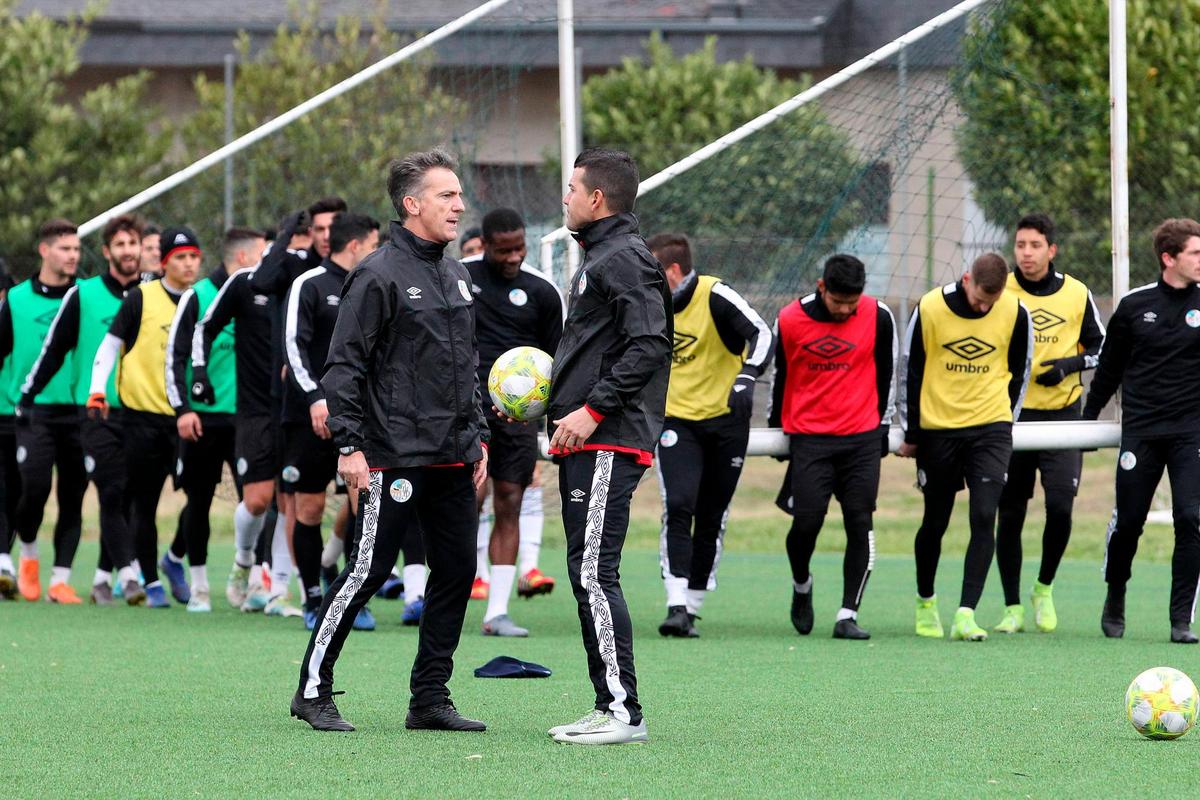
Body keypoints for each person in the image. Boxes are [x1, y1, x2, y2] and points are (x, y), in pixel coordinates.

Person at [291, 150, 489, 733]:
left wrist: (475, 439)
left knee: (455, 571)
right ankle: (312, 691)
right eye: (447, 195)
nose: (459, 205)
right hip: (392, 457)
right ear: (412, 204)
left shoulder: (456, 274)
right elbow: (343, 369)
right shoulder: (376, 274)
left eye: (459, 194)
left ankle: (429, 699)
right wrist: (350, 448)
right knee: (367, 572)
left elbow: (466, 366)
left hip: (454, 456)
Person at [544, 148, 670, 745]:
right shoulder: (602, 256)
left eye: (571, 188)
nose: (564, 197)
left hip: (611, 440)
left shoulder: (623, 258)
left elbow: (649, 345)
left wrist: (592, 411)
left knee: (595, 572)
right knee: (586, 570)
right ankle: (608, 703)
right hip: (592, 440)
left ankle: (625, 714)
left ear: (597, 199)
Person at [898, 253, 1031, 641]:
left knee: (984, 513)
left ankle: (965, 614)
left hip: (991, 427)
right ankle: (926, 602)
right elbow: (912, 368)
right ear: (966, 278)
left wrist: (1006, 417)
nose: (984, 306)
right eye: (979, 298)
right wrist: (911, 430)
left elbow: (1020, 369)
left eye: (992, 300)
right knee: (935, 521)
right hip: (938, 430)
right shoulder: (930, 307)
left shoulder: (1015, 311)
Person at [646, 232, 772, 638]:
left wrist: (748, 376)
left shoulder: (715, 294)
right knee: (679, 504)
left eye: (652, 271)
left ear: (674, 271)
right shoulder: (647, 303)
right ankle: (676, 603)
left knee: (711, 514)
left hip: (725, 422)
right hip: (676, 423)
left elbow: (763, 334)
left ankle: (693, 606)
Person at [1083, 218, 1200, 643]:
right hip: (1142, 432)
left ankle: (1180, 620)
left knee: (1192, 518)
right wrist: (1087, 420)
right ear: (1169, 258)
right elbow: (1109, 367)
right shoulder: (1134, 306)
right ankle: (1115, 594)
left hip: (1191, 433)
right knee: (1130, 522)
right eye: (1196, 253)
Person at [20, 214, 147, 605]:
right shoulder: (84, 295)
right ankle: (124, 574)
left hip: (142, 412)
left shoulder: (153, 294)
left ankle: (83, 579)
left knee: (114, 494)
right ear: (107, 252)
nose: (129, 251)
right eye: (120, 244)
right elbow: (54, 350)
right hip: (91, 411)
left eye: (134, 243)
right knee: (72, 487)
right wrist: (28, 394)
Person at [769, 254, 895, 640]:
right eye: (838, 302)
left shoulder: (879, 316)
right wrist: (777, 427)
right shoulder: (790, 319)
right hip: (810, 440)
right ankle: (802, 585)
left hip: (861, 439)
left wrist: (883, 427)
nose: (845, 310)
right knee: (807, 523)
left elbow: (888, 372)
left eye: (851, 304)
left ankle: (847, 614)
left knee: (860, 523)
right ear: (822, 287)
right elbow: (781, 375)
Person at [993, 214, 1105, 634]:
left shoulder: (1076, 293)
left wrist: (1070, 366)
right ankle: (1012, 606)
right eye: (1020, 244)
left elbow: (1103, 347)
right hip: (1011, 417)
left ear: (1051, 250)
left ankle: (1044, 587)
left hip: (1063, 415)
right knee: (1010, 511)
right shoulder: (1001, 289)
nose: (1026, 253)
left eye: (1035, 245)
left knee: (1059, 507)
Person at [463, 207, 563, 637]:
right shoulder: (458, 277)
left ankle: (497, 612)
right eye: (503, 250)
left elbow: (561, 360)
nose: (512, 257)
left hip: (519, 420)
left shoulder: (542, 291)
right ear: (484, 245)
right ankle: (446, 593)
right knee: (467, 501)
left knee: (510, 500)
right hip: (464, 414)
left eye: (518, 248)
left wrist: (544, 412)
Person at [89, 227, 202, 608]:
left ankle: (174, 558)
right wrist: (97, 389)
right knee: (144, 503)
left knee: (198, 497)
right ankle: (150, 581)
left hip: (187, 418)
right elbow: (109, 346)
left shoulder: (202, 300)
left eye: (193, 256)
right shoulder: (141, 297)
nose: (188, 264)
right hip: (142, 419)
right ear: (165, 261)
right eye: (180, 257)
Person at [282, 212, 380, 630]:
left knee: (365, 503)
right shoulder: (309, 284)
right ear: (355, 245)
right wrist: (315, 398)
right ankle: (312, 597)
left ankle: (352, 596)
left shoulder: (373, 285)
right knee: (309, 507)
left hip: (358, 418)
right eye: (374, 244)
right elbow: (293, 347)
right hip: (309, 417)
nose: (379, 252)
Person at [252, 198, 347, 615]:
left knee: (361, 498)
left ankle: (335, 572)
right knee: (292, 503)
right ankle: (288, 588)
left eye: (332, 229)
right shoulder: (296, 270)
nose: (326, 237)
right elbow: (260, 281)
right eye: (319, 229)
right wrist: (287, 231)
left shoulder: (357, 273)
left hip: (349, 409)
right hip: (295, 404)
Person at [166, 227, 267, 611]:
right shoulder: (198, 296)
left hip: (248, 418)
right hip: (203, 418)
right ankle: (200, 586)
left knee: (256, 500)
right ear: (242, 258)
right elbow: (175, 356)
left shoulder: (261, 294)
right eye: (261, 254)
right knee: (199, 499)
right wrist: (184, 409)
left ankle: (253, 581)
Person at [191, 229, 281, 611]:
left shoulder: (307, 282)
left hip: (298, 410)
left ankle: (277, 587)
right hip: (250, 412)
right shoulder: (241, 285)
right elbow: (201, 331)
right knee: (257, 500)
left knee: (293, 502)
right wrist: (194, 384)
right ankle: (243, 561)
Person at [3, 219, 86, 603]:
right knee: (31, 489)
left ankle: (61, 579)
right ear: (44, 250)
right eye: (65, 249)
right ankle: (30, 555)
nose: (72, 256)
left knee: (74, 493)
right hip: (33, 411)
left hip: (80, 412)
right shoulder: (16, 300)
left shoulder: (86, 297)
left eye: (76, 249)